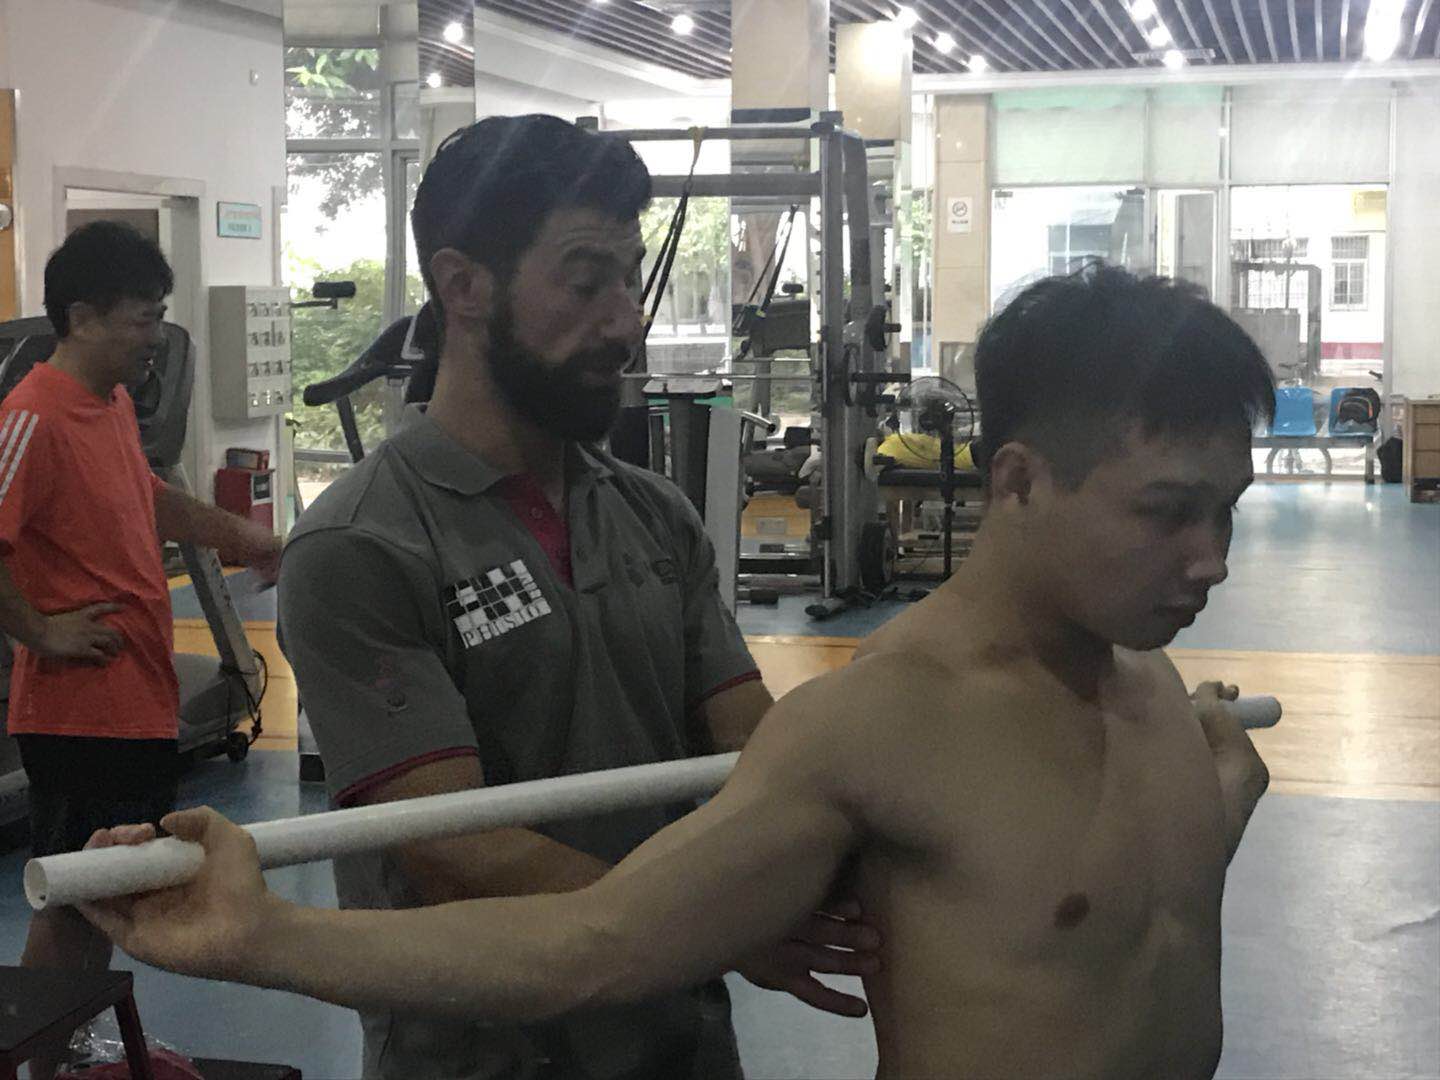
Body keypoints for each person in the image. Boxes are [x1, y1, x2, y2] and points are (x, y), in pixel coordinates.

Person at [84, 266, 1276, 1077]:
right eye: (1167, 512)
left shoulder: (1163, 702)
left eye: (1226, 510)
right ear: (1016, 480)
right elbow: (589, 945)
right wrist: (263, 936)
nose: (1209, 559)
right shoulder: (884, 727)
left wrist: (1217, 801)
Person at [258, 115, 875, 1079]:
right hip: (480, 1060)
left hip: (680, 1046)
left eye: (629, 279)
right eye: (586, 283)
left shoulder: (654, 514)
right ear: (464, 286)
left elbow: (750, 749)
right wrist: (715, 923)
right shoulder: (360, 547)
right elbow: (452, 845)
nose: (626, 321)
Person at [0, 221, 282, 1078]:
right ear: (83, 317)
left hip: (136, 697)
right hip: (78, 710)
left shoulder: (112, 404)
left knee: (109, 887)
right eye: (143, 318)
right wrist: (41, 630)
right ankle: (39, 1055)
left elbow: (149, 496)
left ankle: (66, 1041)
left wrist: (243, 535)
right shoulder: (32, 415)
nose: (155, 336)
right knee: (80, 890)